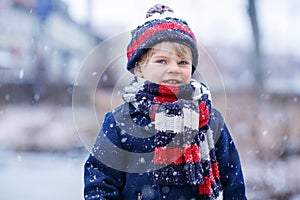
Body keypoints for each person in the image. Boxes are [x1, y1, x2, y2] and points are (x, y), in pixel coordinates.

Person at [84, 4, 247, 200]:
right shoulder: (120, 121)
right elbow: (100, 181)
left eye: (183, 62)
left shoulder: (210, 119)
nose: (174, 69)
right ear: (139, 69)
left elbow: (233, 182)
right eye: (162, 61)